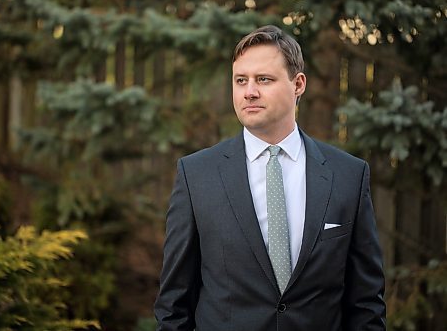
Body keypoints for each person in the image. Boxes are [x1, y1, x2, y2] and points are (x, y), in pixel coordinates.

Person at [154, 25, 386, 331]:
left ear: (298, 84)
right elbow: (173, 305)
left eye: (264, 79)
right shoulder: (196, 175)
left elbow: (366, 304)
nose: (249, 91)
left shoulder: (348, 175)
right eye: (240, 80)